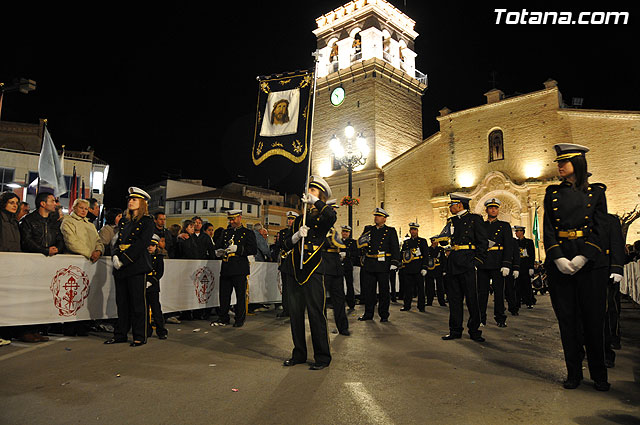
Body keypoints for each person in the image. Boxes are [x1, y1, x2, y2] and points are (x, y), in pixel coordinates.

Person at [543, 143, 610, 391]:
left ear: (578, 164)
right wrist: (558, 257)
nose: (559, 166)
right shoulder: (551, 194)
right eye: (558, 162)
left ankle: (599, 374)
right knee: (567, 320)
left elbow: (601, 228)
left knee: (593, 320)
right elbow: (549, 230)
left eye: (565, 162)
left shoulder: (596, 193)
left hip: (590, 264)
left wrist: (584, 256)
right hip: (561, 262)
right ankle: (573, 373)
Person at [282, 176, 336, 370]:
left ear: (319, 195)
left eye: (313, 191)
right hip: (295, 270)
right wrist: (295, 237)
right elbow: (285, 243)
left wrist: (317, 203)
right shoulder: (298, 220)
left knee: (316, 314)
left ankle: (322, 357)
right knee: (296, 315)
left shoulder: (322, 217)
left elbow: (332, 216)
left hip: (313, 270)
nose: (308, 193)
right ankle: (299, 354)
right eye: (308, 190)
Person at [105, 187, 156, 347]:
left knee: (137, 303)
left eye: (134, 199)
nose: (130, 201)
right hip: (121, 267)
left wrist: (124, 259)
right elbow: (116, 241)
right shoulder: (125, 222)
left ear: (142, 203)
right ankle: (120, 334)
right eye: (130, 199)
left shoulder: (147, 221)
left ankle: (139, 335)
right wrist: (114, 256)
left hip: (136, 266)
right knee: (122, 302)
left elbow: (141, 244)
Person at [439, 193, 488, 342]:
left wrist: (477, 261)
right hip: (453, 262)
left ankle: (474, 330)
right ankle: (455, 330)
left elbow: (483, 242)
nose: (450, 207)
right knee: (454, 299)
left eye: (452, 205)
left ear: (460, 205)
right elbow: (445, 240)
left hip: (468, 262)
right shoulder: (451, 221)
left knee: (472, 299)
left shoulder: (475, 219)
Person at [60, 198, 104, 336]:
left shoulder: (90, 225)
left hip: (90, 263)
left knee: (85, 294)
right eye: (81, 208)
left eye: (86, 209)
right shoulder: (68, 221)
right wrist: (89, 253)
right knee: (71, 296)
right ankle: (69, 326)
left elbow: (98, 241)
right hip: (75, 264)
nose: (84, 211)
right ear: (74, 208)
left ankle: (83, 324)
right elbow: (71, 242)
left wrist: (98, 251)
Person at [211, 209, 257, 328]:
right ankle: (223, 317)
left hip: (239, 268)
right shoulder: (226, 232)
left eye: (234, 219)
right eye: (230, 219)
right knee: (224, 295)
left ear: (240, 217)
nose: (231, 221)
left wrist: (238, 249)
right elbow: (218, 245)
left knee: (240, 295)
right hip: (226, 267)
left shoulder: (248, 233)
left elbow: (253, 250)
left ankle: (239, 319)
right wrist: (218, 252)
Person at [357, 207, 401, 322]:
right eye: (375, 216)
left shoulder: (390, 231)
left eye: (379, 216)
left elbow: (395, 248)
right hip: (370, 264)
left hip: (383, 265)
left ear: (384, 219)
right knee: (369, 291)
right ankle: (368, 313)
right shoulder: (368, 229)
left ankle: (384, 314)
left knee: (383, 291)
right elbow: (361, 243)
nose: (376, 218)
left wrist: (394, 262)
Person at [476, 198, 514, 328]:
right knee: (482, 293)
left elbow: (509, 246)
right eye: (491, 208)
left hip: (498, 262)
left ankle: (500, 318)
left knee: (499, 293)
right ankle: (481, 318)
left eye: (496, 208)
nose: (493, 210)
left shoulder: (504, 226)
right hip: (483, 262)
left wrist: (507, 264)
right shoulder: (481, 226)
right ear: (486, 210)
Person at [323, 200, 349, 335]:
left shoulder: (333, 229)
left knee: (339, 300)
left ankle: (343, 327)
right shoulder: (321, 228)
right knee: (321, 302)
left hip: (336, 267)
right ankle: (320, 328)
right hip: (324, 267)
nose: (334, 213)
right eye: (332, 211)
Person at [603, 213, 625, 366]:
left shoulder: (610, 220)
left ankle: (613, 339)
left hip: (608, 271)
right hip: (590, 271)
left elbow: (617, 244)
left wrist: (617, 268)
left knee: (610, 308)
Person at [20, 192, 64, 257]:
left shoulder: (54, 221)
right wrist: (45, 250)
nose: (55, 204)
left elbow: (60, 239)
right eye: (52, 201)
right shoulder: (28, 220)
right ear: (43, 204)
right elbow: (27, 241)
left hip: (53, 259)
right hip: (32, 259)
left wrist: (57, 249)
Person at [400, 223, 429, 312]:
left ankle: (421, 306)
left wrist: (424, 267)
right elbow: (403, 254)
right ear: (409, 231)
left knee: (420, 289)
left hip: (419, 267)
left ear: (417, 231)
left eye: (415, 230)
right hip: (408, 267)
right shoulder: (406, 242)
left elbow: (426, 255)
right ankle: (407, 305)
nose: (413, 231)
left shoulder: (422, 241)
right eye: (411, 230)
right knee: (407, 288)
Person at [275, 211, 298, 318]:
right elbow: (279, 246)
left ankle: (295, 309)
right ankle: (286, 309)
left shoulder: (298, 232)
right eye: (289, 219)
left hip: (296, 262)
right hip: (285, 262)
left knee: (295, 288)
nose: (290, 221)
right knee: (286, 288)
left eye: (292, 219)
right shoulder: (283, 232)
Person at [146, 234, 168, 340]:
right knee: (144, 310)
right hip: (142, 285)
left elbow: (160, 272)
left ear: (156, 247)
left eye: (152, 245)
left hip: (153, 286)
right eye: (148, 245)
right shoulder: (143, 257)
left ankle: (161, 331)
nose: (150, 247)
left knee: (156, 310)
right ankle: (146, 330)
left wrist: (151, 281)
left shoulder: (158, 258)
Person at [514, 225, 535, 310]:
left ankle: (529, 302)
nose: (516, 233)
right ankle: (517, 303)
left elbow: (532, 255)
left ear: (522, 232)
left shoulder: (529, 242)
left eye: (517, 231)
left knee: (527, 285)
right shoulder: (515, 242)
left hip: (526, 266)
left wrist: (531, 267)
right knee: (517, 286)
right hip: (518, 266)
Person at [340, 225, 358, 311]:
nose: (345, 233)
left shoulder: (353, 242)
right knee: (338, 285)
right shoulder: (338, 241)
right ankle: (339, 302)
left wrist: (347, 255)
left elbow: (355, 253)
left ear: (349, 233)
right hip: (339, 266)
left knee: (349, 284)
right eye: (343, 231)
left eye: (346, 232)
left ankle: (351, 303)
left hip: (347, 265)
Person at [426, 236, 447, 306]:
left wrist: (444, 270)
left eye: (436, 241)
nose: (436, 243)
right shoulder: (428, 249)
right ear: (432, 242)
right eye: (434, 241)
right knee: (429, 287)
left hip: (438, 269)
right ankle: (429, 301)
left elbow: (443, 260)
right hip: (430, 269)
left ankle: (442, 301)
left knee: (440, 287)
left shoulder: (440, 249)